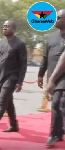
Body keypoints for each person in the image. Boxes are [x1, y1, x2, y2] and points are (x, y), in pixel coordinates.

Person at [39, 9, 65, 147]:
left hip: (62, 77)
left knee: (58, 103)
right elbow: (45, 58)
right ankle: (59, 132)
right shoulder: (50, 38)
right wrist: (40, 75)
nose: (56, 19)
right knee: (58, 104)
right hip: (53, 77)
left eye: (59, 17)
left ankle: (53, 134)